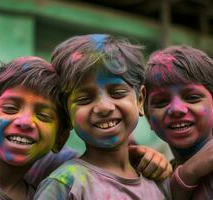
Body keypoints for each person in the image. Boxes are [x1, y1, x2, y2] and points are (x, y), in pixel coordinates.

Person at [0, 56, 171, 200]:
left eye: (43, 115)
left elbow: (98, 164)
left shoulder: (51, 189)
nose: (25, 122)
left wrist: (136, 155)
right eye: (11, 108)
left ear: (60, 139)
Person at [34, 34, 170, 200]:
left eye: (117, 93)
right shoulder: (65, 185)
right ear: (67, 112)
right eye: (84, 99)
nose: (104, 107)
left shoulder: (158, 181)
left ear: (140, 100)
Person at [143, 45, 213, 199]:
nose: (176, 109)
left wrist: (184, 177)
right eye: (161, 102)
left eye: (192, 97)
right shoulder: (157, 176)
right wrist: (186, 174)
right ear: (148, 117)